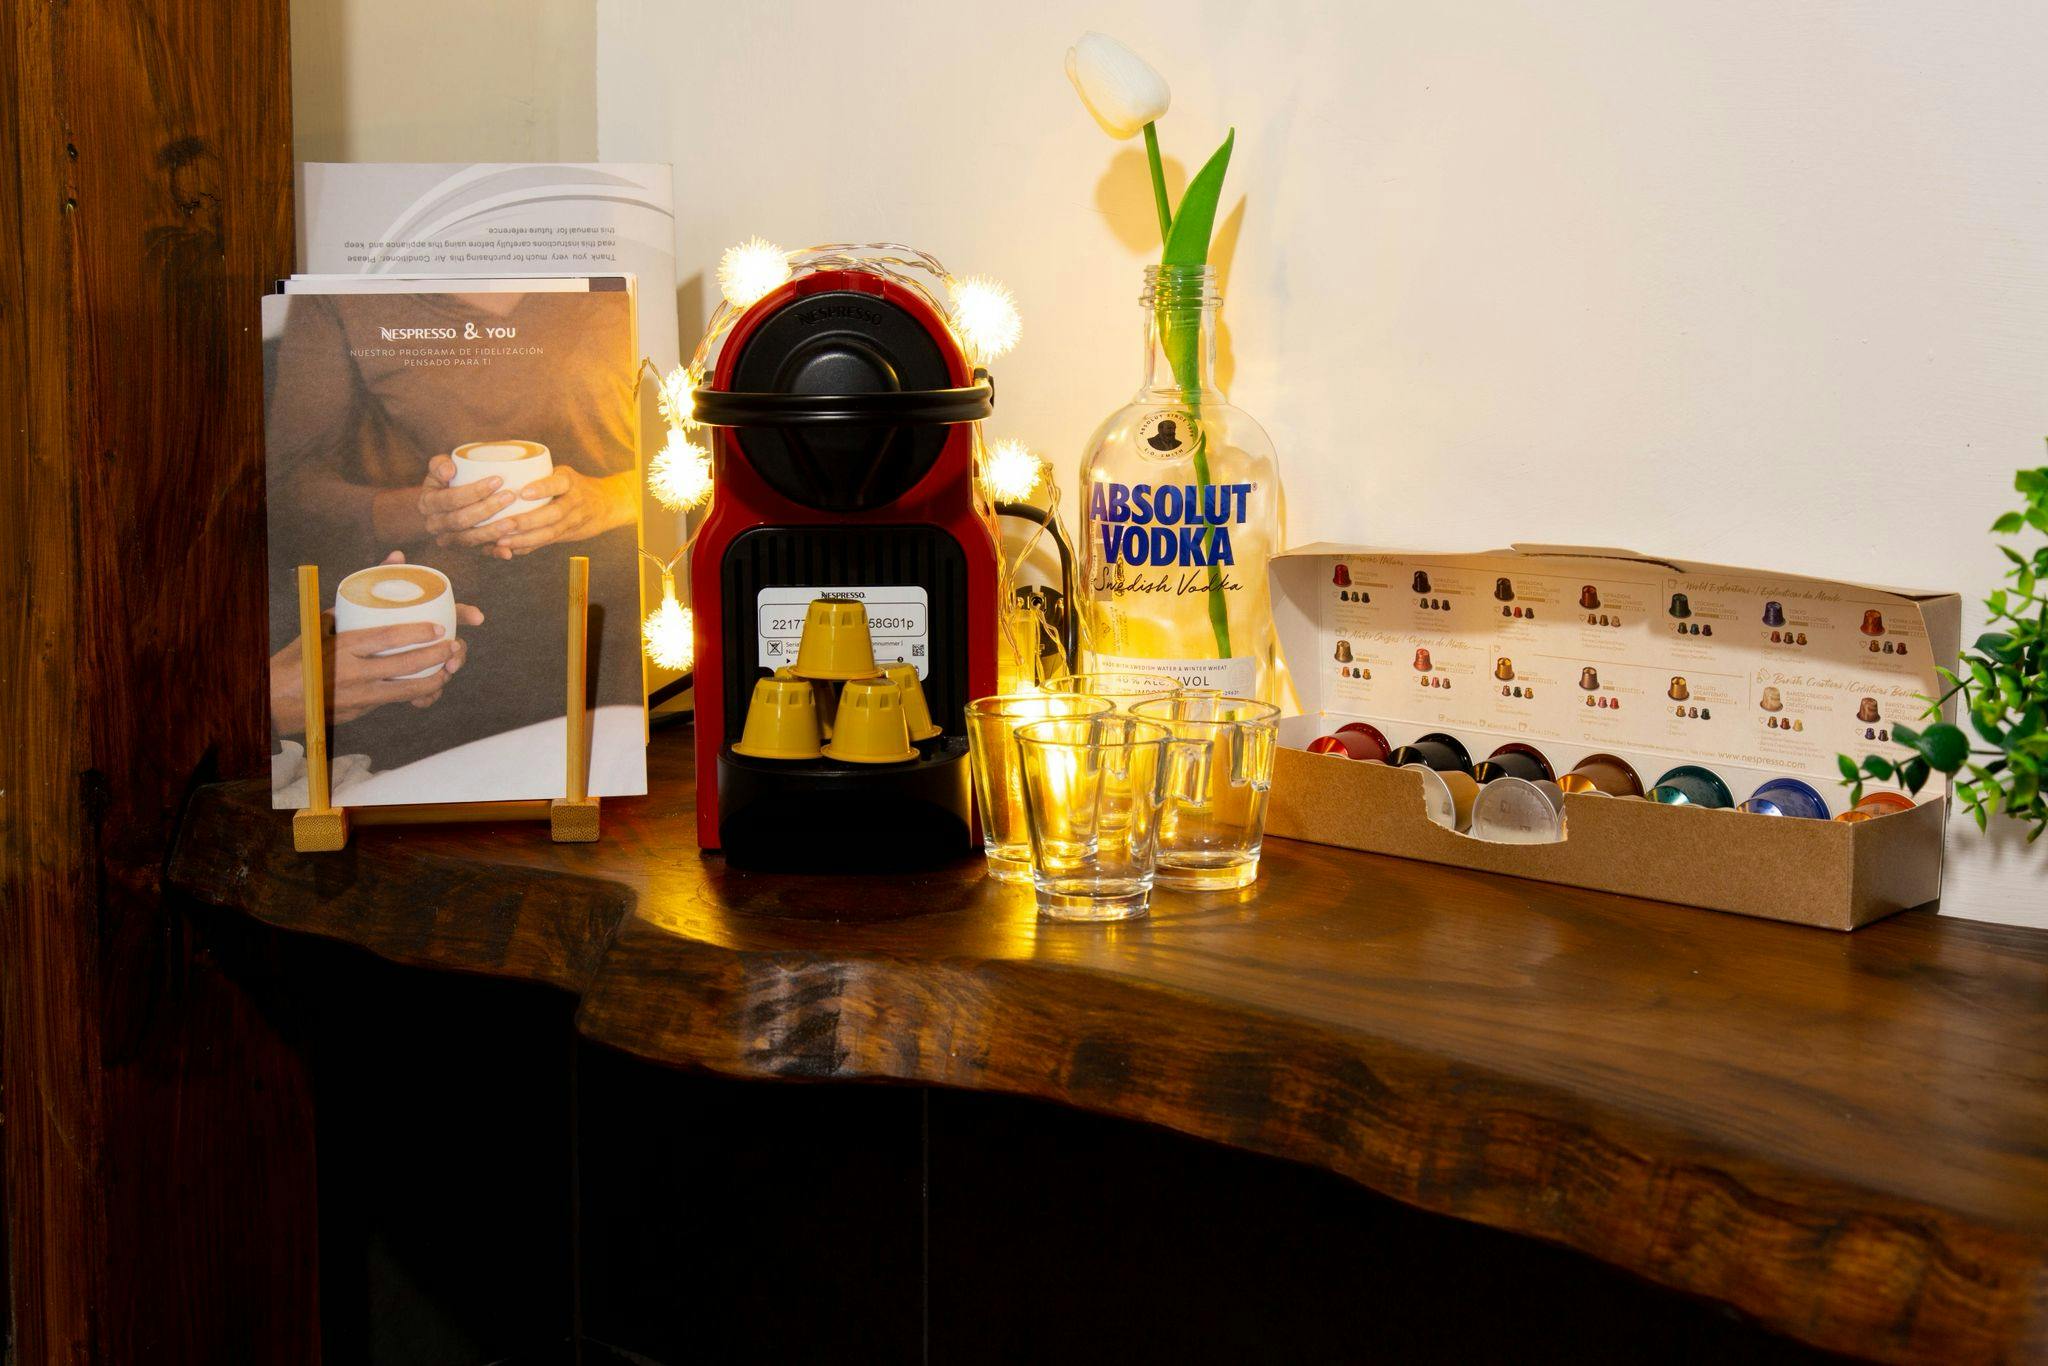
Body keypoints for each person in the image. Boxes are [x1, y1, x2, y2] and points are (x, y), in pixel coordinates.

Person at [265, 288, 640, 787]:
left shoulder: (618, 281)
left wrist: (613, 498)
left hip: (620, 605)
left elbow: (699, 453)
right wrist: (429, 512)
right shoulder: (348, 295)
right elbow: (288, 493)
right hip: (443, 618)